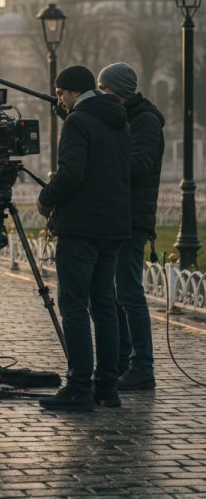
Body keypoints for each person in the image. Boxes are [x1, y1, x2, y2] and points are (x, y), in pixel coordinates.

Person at [37, 65, 131, 412]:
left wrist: (47, 198)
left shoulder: (78, 122)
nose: (59, 100)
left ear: (74, 91)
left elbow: (72, 173)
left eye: (60, 93)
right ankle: (107, 386)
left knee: (74, 307)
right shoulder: (118, 119)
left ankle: (78, 387)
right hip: (112, 225)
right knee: (104, 306)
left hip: (81, 228)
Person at [98, 62, 163, 392]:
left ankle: (142, 366)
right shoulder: (123, 117)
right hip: (116, 215)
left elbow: (138, 167)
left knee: (129, 292)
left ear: (119, 91)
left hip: (133, 218)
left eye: (104, 89)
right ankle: (122, 360)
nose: (101, 95)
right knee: (114, 293)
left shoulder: (145, 121)